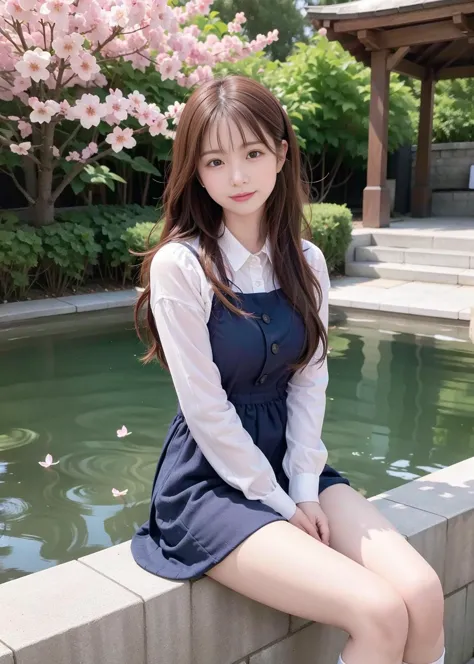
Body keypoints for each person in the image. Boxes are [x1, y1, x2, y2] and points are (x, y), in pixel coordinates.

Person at [131, 75, 445, 664]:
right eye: (216, 161)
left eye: (252, 154)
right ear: (196, 172)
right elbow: (204, 408)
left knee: (423, 594)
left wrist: (303, 487)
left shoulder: (306, 260)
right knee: (376, 611)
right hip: (211, 481)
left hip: (292, 464)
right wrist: (280, 502)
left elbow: (310, 380)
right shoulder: (183, 265)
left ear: (281, 153)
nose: (239, 177)